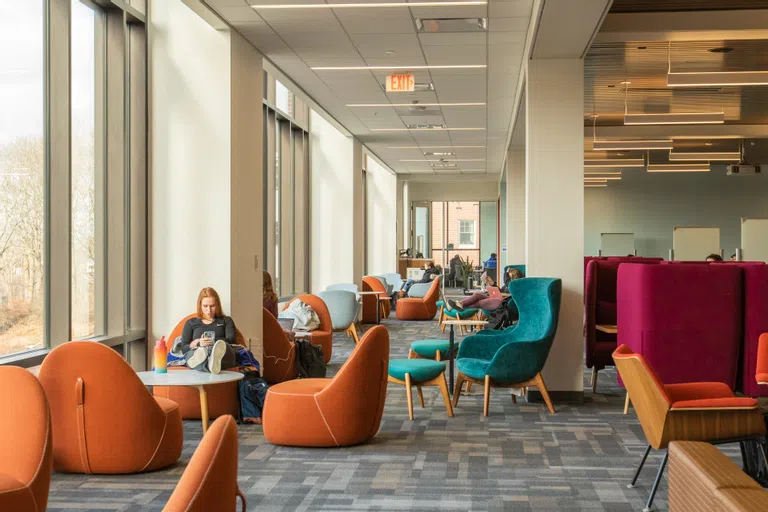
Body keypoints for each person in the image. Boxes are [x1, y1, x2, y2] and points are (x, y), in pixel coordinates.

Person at [181, 287, 239, 374]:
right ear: (200, 305)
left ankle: (206, 362)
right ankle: (210, 363)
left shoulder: (226, 320)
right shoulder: (191, 323)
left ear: (218, 305)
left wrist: (210, 341)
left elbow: (231, 340)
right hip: (199, 350)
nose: (209, 310)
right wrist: (199, 343)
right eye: (205, 306)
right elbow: (184, 348)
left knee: (224, 346)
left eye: (212, 306)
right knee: (195, 353)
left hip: (222, 354)